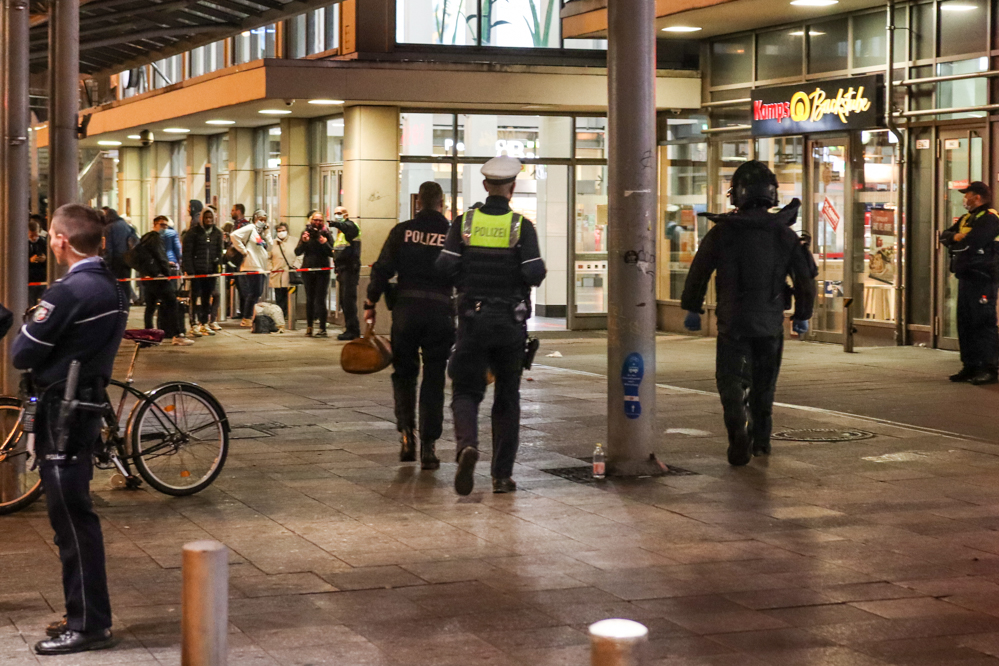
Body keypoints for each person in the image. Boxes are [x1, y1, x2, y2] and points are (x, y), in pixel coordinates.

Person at [12, 204, 129, 655]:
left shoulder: (69, 292)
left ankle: (88, 624)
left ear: (60, 240)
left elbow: (23, 353)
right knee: (73, 520)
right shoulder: (110, 287)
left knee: (73, 522)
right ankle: (82, 612)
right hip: (83, 408)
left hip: (63, 414)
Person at [680, 160, 816, 466]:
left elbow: (698, 272)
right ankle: (762, 441)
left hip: (732, 322)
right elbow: (804, 279)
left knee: (729, 381)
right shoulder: (784, 234)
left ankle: (737, 435)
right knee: (764, 384)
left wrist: (692, 308)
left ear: (736, 194)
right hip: (770, 322)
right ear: (772, 194)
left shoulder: (723, 233)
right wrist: (802, 314)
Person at [437, 156, 546, 496]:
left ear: (485, 186)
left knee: (466, 390)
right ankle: (502, 476)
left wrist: (465, 278)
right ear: (512, 188)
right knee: (507, 397)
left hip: (473, 319)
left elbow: (443, 267)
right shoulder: (521, 226)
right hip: (510, 325)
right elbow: (535, 273)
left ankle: (467, 446)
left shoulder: (464, 223)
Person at [365, 181, 454, 470]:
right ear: (441, 202)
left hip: (406, 311)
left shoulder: (402, 231)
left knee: (404, 375)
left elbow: (382, 268)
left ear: (418, 202)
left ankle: (407, 436)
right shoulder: (452, 233)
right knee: (434, 378)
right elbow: (461, 273)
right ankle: (429, 445)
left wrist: (370, 304)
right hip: (440, 312)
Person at [941, 181, 999, 385]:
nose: (964, 198)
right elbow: (945, 235)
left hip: (983, 278)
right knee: (965, 323)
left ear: (978, 197)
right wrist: (955, 236)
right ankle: (970, 366)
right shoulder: (967, 218)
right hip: (966, 277)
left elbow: (972, 244)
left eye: (967, 195)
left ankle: (989, 368)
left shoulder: (990, 218)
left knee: (982, 323)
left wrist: (956, 242)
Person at [140, 218, 191, 346]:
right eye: (162, 225)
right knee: (172, 303)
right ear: (154, 225)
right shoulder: (156, 239)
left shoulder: (145, 238)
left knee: (150, 308)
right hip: (160, 279)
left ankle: (148, 337)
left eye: (166, 226)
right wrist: (167, 271)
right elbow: (160, 257)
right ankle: (177, 335)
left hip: (148, 279)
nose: (164, 228)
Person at [182, 206, 224, 337]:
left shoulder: (217, 233)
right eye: (206, 217)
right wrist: (189, 270)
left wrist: (218, 265)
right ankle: (193, 323)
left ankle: (204, 323)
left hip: (210, 271)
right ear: (201, 218)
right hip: (196, 271)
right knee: (194, 297)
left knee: (207, 298)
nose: (208, 220)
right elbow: (187, 252)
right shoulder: (193, 233)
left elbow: (219, 251)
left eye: (210, 217)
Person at [295, 210, 335, 337]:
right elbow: (297, 252)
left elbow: (332, 252)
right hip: (308, 270)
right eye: (315, 220)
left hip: (323, 271)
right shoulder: (306, 233)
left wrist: (324, 243)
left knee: (320, 299)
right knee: (310, 299)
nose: (317, 222)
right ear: (310, 220)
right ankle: (309, 326)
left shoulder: (327, 234)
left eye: (320, 220)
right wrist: (305, 241)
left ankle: (322, 328)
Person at [230, 210, 271, 327]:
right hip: (251, 265)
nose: (262, 222)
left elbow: (270, 247)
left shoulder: (262, 233)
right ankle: (246, 317)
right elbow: (234, 235)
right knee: (254, 292)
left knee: (257, 292)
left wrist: (267, 232)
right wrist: (244, 251)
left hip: (261, 266)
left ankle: (249, 316)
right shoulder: (250, 228)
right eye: (260, 220)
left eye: (264, 220)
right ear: (255, 219)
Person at [329, 206, 362, 341]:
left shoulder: (351, 227)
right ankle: (349, 328)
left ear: (346, 215)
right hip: (342, 269)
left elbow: (349, 228)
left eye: (340, 213)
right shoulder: (339, 234)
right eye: (335, 213)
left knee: (348, 301)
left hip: (350, 269)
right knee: (344, 301)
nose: (337, 215)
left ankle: (353, 330)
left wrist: (336, 223)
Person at [100, 207, 138, 302]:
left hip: (115, 260)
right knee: (125, 284)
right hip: (126, 259)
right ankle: (126, 305)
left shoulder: (109, 228)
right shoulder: (126, 225)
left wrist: (105, 263)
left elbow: (108, 248)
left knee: (114, 285)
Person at [270, 222, 301, 321]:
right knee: (279, 297)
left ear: (287, 231)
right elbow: (268, 257)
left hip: (290, 274)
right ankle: (281, 317)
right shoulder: (272, 243)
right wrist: (271, 268)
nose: (281, 233)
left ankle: (290, 316)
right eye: (279, 231)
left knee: (290, 296)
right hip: (277, 274)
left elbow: (300, 254)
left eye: (283, 230)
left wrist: (296, 265)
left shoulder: (295, 241)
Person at [28, 219, 48, 305]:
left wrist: (44, 258)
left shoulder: (43, 242)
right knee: (30, 301)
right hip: (29, 278)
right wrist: (29, 260)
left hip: (41, 277)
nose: (34, 237)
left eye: (36, 235)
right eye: (31, 235)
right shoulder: (23, 243)